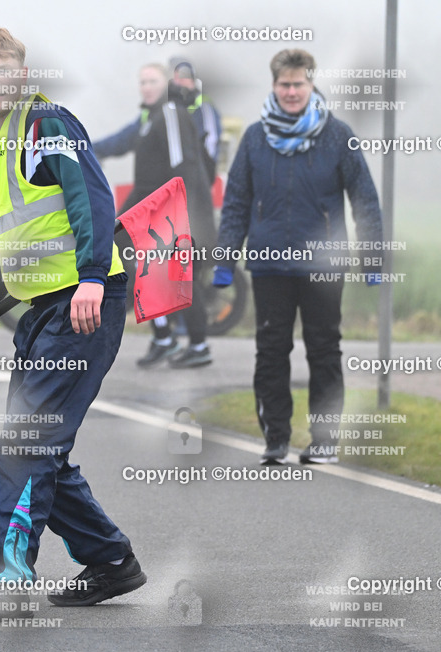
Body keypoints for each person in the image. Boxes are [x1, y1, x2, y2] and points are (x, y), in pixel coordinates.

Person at [0, 28, 146, 619]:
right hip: (40, 312)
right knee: (37, 446)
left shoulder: (47, 124)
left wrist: (89, 275)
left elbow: (93, 199)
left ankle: (9, 580)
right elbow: (3, 252)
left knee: (27, 442)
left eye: (3, 68)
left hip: (85, 305)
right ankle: (110, 560)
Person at [213, 49, 383, 465]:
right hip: (270, 264)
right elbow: (236, 202)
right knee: (271, 349)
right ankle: (276, 438)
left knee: (324, 349)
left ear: (311, 83)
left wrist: (373, 257)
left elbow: (365, 199)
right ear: (274, 85)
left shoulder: (338, 135)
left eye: (299, 84)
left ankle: (324, 440)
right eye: (284, 84)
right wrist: (223, 260)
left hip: (324, 265)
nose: (292, 91)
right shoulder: (255, 138)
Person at [94, 64, 216, 368]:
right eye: (142, 81)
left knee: (178, 275)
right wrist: (85, 148)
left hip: (170, 207)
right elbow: (120, 142)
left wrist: (182, 218)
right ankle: (163, 336)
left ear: (167, 84)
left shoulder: (172, 112)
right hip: (148, 202)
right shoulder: (150, 117)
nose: (146, 86)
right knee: (142, 265)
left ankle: (195, 345)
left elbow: (183, 163)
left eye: (153, 81)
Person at [169, 57, 222, 180]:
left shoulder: (203, 106)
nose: (180, 81)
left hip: (196, 178)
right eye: (176, 77)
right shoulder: (169, 107)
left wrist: (203, 176)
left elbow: (211, 142)